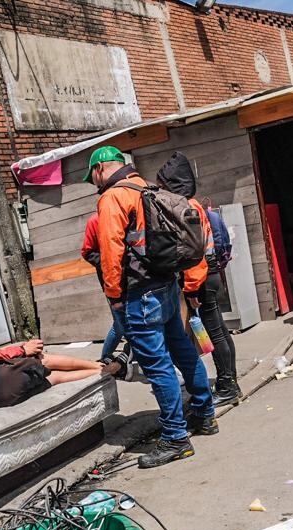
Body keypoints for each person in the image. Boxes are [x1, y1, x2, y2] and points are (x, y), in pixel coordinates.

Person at [86, 145, 216, 469]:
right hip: (167, 284)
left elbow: (111, 249)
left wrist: (114, 294)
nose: (95, 184)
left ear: (100, 168)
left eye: (92, 177)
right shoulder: (147, 187)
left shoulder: (113, 197)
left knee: (157, 367)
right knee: (184, 352)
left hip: (140, 293)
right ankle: (205, 415)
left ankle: (175, 438)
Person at [156, 152, 240, 406]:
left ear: (172, 184)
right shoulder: (194, 206)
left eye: (163, 185)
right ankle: (230, 381)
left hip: (202, 280)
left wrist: (191, 289)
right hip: (210, 276)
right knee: (221, 331)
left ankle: (227, 385)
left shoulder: (186, 209)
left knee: (215, 333)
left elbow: (194, 254)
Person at [81, 213, 127, 362]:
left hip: (134, 279)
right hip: (112, 282)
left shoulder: (125, 215)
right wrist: (109, 262)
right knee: (121, 324)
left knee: (123, 324)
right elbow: (87, 251)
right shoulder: (95, 220)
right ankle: (107, 357)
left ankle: (107, 356)